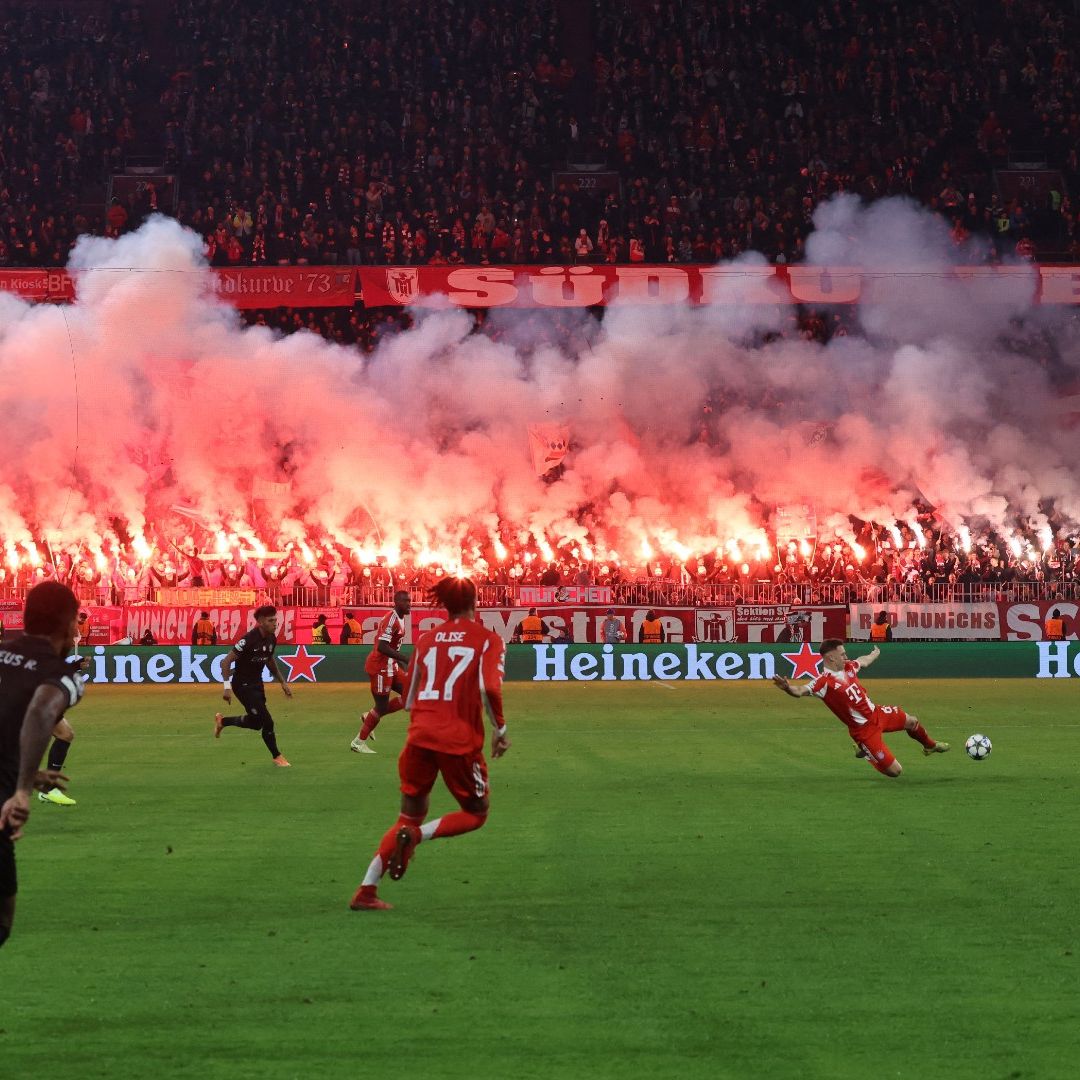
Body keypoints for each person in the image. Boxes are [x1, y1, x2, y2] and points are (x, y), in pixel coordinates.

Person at [350, 577, 509, 911]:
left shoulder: (426, 640)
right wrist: (500, 729)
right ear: (474, 602)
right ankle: (418, 836)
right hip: (458, 742)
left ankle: (366, 890)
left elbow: (408, 700)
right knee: (476, 813)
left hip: (419, 739)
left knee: (406, 817)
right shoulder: (488, 640)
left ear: (445, 605)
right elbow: (491, 688)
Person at [0, 582, 86, 947]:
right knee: (2, 919)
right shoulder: (63, 675)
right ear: (68, 625)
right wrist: (22, 789)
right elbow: (40, 711)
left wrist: (25, 774)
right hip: (3, 805)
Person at [772, 639, 949, 777]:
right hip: (864, 731)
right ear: (831, 657)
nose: (846, 656)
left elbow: (863, 661)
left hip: (877, 713)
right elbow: (800, 690)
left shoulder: (849, 667)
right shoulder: (823, 682)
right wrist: (787, 688)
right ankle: (865, 751)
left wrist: (874, 654)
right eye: (842, 654)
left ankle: (930, 746)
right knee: (895, 772)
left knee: (912, 721)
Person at [213, 605, 293, 766]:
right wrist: (227, 687)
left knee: (257, 723)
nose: (275, 623)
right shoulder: (248, 640)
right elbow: (226, 662)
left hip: (257, 684)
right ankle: (277, 756)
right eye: (271, 620)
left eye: (275, 620)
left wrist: (282, 682)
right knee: (267, 722)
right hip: (242, 685)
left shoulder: (272, 638)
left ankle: (223, 722)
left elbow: (269, 660)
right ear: (261, 622)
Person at [351, 591, 412, 754]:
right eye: (405, 601)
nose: (409, 604)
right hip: (380, 667)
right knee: (382, 707)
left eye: (409, 601)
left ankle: (369, 716)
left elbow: (391, 647)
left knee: (411, 695)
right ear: (396, 602)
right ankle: (358, 742)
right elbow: (382, 647)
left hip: (391, 665)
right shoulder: (391, 619)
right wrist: (405, 659)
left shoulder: (400, 618)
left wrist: (401, 663)